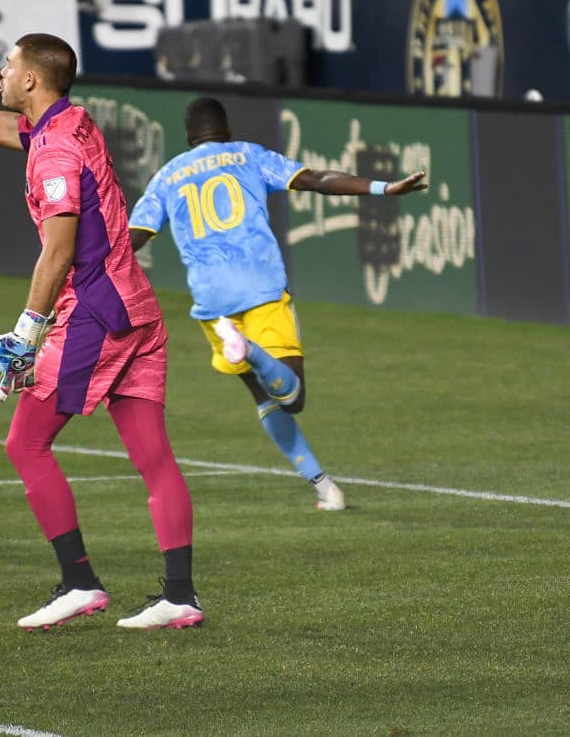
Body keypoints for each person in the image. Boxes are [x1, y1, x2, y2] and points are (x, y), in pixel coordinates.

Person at [0, 0, 201, 630]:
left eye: (8, 65)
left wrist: (27, 331)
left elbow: (59, 249)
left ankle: (79, 583)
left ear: (32, 78)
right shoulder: (66, 122)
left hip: (97, 314)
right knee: (154, 456)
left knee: (25, 443)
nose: (1, 75)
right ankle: (179, 595)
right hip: (138, 309)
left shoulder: (56, 150)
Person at [128, 97, 428, 509]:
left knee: (265, 398)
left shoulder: (167, 176)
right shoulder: (247, 155)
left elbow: (135, 237)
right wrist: (382, 187)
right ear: (226, 129)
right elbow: (317, 179)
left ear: (188, 137)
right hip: (260, 288)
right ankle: (249, 349)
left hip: (212, 303)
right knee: (294, 396)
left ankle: (325, 488)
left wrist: (79, 266)